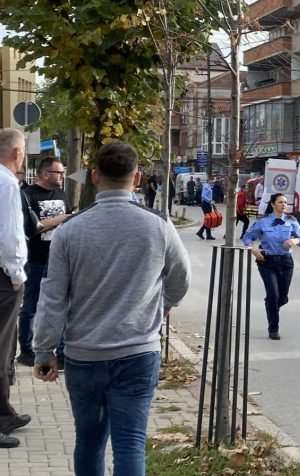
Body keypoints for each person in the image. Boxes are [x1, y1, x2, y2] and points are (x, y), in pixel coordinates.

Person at [33, 141, 191, 476]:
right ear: (136, 179)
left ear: (93, 176)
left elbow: (53, 296)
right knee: (130, 442)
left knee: (88, 441)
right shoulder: (158, 225)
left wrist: (44, 349)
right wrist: (160, 307)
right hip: (137, 353)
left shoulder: (69, 231)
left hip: (84, 356)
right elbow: (181, 279)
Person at [18, 157, 71, 369]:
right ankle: (26, 350)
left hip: (60, 260)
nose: (62, 176)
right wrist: (62, 218)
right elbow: (32, 228)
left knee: (61, 305)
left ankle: (61, 350)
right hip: (36, 259)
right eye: (58, 173)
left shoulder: (61, 194)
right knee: (31, 306)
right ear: (45, 174)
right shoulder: (28, 196)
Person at [0, 129, 30, 449]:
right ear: (17, 153)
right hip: (4, 276)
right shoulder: (7, 183)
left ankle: (4, 413)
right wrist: (16, 273)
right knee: (1, 347)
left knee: (6, 349)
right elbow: (8, 236)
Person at [242, 193, 300, 340]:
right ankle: (273, 328)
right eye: (280, 202)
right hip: (267, 261)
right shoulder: (262, 222)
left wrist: (295, 241)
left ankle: (272, 306)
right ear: (272, 204)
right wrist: (253, 249)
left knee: (282, 297)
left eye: (285, 203)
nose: (284, 205)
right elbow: (247, 237)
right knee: (273, 295)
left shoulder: (291, 220)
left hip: (286, 262)